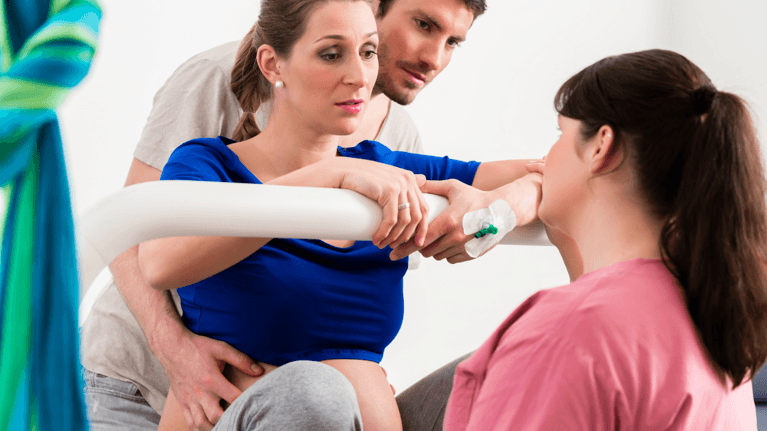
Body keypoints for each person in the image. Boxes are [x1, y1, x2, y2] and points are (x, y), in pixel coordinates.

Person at [79, 0, 488, 430]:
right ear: (374, 7)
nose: (435, 57)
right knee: (314, 391)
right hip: (142, 381)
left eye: (453, 42)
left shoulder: (395, 141)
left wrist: (498, 212)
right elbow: (134, 232)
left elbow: (538, 176)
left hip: (296, 413)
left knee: (509, 360)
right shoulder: (218, 82)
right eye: (423, 25)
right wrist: (174, 348)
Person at [429, 49, 766, 429]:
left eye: (561, 133)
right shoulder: (716, 324)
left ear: (601, 146)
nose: (544, 157)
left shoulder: (565, 334)